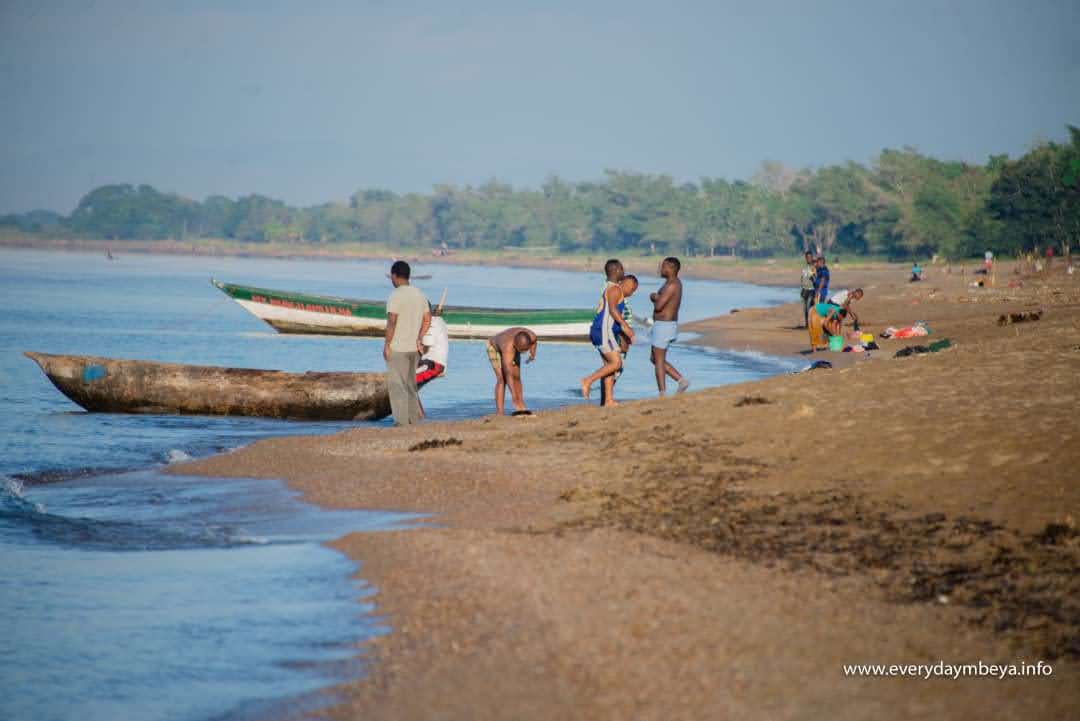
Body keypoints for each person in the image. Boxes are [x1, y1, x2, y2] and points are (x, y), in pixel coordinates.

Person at [581, 262, 636, 406]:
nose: (632, 292)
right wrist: (626, 328)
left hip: (605, 332)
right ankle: (587, 381)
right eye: (632, 288)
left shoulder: (616, 290)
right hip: (603, 331)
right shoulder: (614, 289)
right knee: (616, 363)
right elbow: (612, 310)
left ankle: (608, 400)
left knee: (609, 367)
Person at [384, 261, 430, 426]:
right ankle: (414, 421)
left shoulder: (395, 295)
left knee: (398, 386)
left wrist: (387, 345)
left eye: (391, 276)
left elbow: (392, 322)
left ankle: (401, 423)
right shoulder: (420, 294)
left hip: (399, 348)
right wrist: (420, 338)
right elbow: (427, 318)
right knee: (411, 386)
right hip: (414, 349)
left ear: (395, 276)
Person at [650, 257, 689, 395]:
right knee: (654, 359)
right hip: (664, 326)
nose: (661, 269)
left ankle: (662, 394)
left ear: (671, 268)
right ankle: (681, 381)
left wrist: (654, 297)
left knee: (659, 360)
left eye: (664, 267)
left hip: (664, 326)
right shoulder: (672, 283)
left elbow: (659, 306)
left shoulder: (672, 284)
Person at [487, 326, 537, 416]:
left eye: (525, 351)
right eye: (521, 351)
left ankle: (521, 405)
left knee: (517, 377)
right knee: (502, 379)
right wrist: (513, 396)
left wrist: (532, 354)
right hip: (494, 348)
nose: (523, 353)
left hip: (513, 347)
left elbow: (534, 342)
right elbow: (508, 375)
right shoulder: (508, 349)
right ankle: (500, 412)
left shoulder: (531, 335)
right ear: (515, 346)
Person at [414, 304, 449, 419]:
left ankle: (421, 417)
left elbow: (426, 347)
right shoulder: (437, 320)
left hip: (434, 364)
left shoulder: (432, 323)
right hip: (432, 362)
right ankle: (419, 416)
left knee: (409, 383)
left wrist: (417, 343)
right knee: (411, 384)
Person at [799, 250, 816, 328]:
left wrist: (813, 275)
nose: (808, 259)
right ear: (805, 258)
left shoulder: (814, 267)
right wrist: (801, 289)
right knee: (805, 308)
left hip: (811, 290)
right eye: (807, 257)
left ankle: (810, 324)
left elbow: (816, 279)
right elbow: (802, 278)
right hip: (804, 290)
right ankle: (807, 324)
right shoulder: (804, 267)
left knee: (809, 307)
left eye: (810, 257)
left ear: (812, 258)